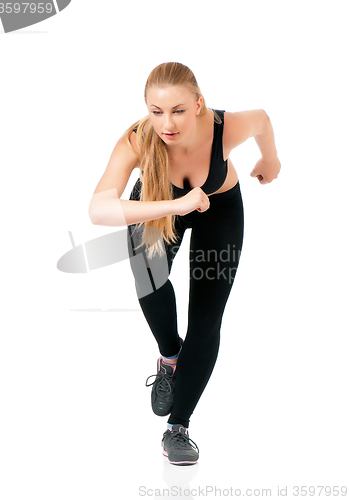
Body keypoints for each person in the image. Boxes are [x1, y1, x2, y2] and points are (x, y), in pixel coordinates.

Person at [88, 62, 281, 466]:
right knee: (150, 282)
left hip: (220, 210)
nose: (167, 122)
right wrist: (178, 204)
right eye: (157, 112)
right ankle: (169, 356)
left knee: (206, 319)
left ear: (198, 105)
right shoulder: (137, 140)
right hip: (160, 203)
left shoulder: (225, 127)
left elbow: (262, 119)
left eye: (178, 110)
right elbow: (98, 209)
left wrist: (271, 160)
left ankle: (178, 428)